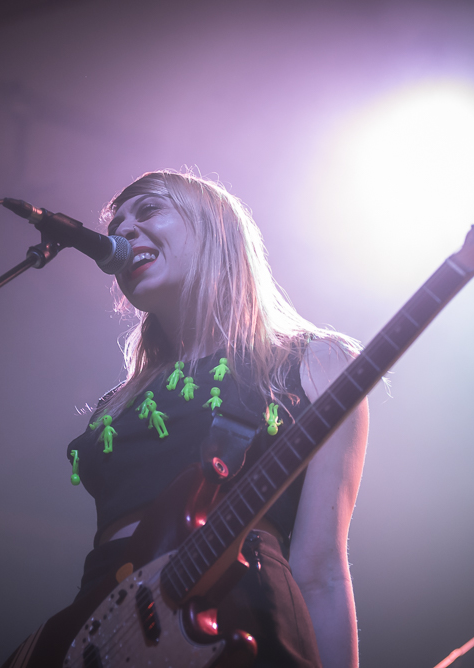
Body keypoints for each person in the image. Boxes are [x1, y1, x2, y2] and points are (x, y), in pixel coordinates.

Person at [24, 170, 369, 667]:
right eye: (117, 224)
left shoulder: (313, 362)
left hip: (239, 611)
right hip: (99, 635)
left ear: (215, 231)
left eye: (148, 211)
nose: (123, 232)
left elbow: (321, 571)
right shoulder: (115, 404)